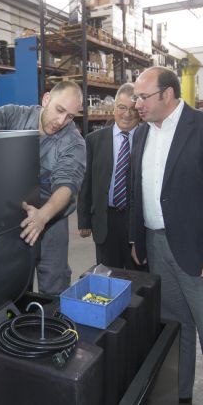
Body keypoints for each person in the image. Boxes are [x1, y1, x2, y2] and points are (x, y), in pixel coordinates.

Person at [129, 67, 203, 404]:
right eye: (136, 97)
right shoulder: (142, 133)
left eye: (143, 97)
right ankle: (179, 396)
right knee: (174, 331)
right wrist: (138, 237)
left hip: (202, 253)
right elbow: (140, 189)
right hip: (157, 246)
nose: (137, 104)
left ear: (168, 94)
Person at [0, 80, 86, 295]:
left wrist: (43, 216)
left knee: (53, 282)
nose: (62, 121)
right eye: (59, 110)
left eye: (70, 116)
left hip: (51, 220)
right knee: (10, 283)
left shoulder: (74, 142)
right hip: (11, 216)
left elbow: (66, 185)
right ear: (46, 99)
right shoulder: (16, 115)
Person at [78, 83, 145, 270]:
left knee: (138, 276)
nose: (127, 114)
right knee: (107, 275)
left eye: (133, 109)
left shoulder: (147, 139)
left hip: (136, 220)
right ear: (114, 108)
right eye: (122, 107)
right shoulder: (94, 140)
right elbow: (86, 182)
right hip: (105, 219)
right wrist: (84, 219)